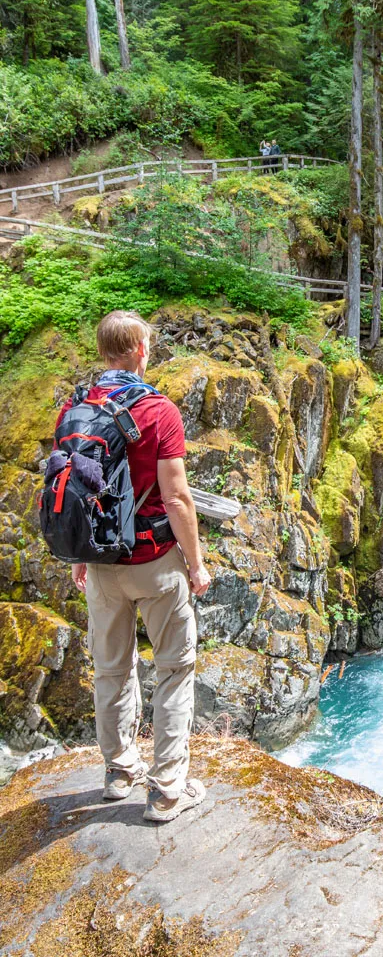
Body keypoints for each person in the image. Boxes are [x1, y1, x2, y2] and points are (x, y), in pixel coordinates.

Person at [55, 310, 212, 822]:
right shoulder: (158, 410)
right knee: (174, 669)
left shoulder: (75, 408)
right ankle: (167, 789)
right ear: (141, 349)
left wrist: (81, 554)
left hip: (99, 563)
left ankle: (119, 771)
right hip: (154, 561)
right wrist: (196, 563)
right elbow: (177, 498)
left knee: (110, 669)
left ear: (105, 352)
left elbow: (76, 489)